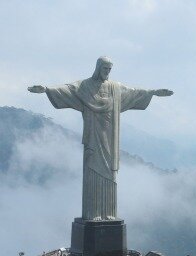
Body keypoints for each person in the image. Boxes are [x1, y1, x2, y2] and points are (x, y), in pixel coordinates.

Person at [28, 56, 173, 221]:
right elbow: (67, 89)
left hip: (111, 138)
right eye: (105, 69)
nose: (107, 72)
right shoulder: (84, 87)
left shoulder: (115, 88)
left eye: (110, 69)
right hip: (93, 138)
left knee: (110, 174)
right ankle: (93, 213)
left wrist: (153, 93)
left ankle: (109, 213)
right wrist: (46, 89)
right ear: (98, 68)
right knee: (93, 172)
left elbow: (134, 93)